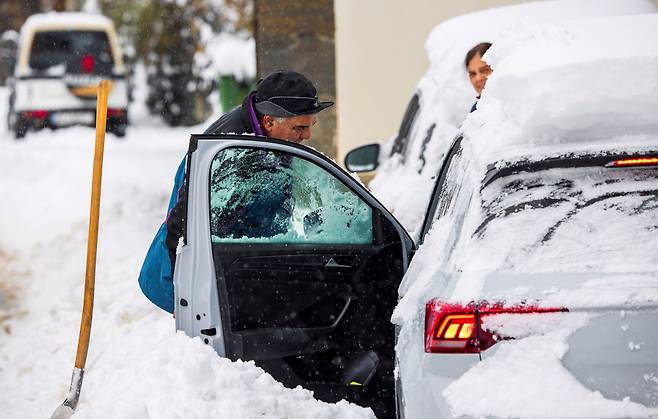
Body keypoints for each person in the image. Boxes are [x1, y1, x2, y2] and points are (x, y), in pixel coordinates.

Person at [138, 70, 334, 313]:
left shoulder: (270, 137)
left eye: (310, 126)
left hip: (245, 267)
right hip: (187, 281)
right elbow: (185, 222)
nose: (308, 135)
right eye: (299, 128)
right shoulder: (229, 155)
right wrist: (188, 298)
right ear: (269, 121)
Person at [465, 42, 492, 112]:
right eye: (473, 74)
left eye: (485, 70)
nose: (478, 78)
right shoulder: (475, 110)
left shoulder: (516, 103)